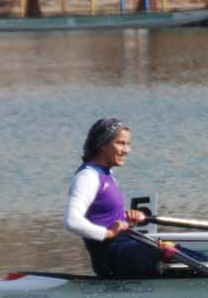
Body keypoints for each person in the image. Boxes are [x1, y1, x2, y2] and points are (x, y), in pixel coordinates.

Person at [65, 117, 169, 279]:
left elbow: (103, 217)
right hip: (111, 258)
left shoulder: (106, 173)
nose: (127, 150)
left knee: (179, 252)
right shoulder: (88, 177)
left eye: (128, 144)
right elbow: (72, 221)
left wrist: (128, 222)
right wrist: (108, 234)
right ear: (102, 145)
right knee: (171, 255)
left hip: (124, 248)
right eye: (121, 143)